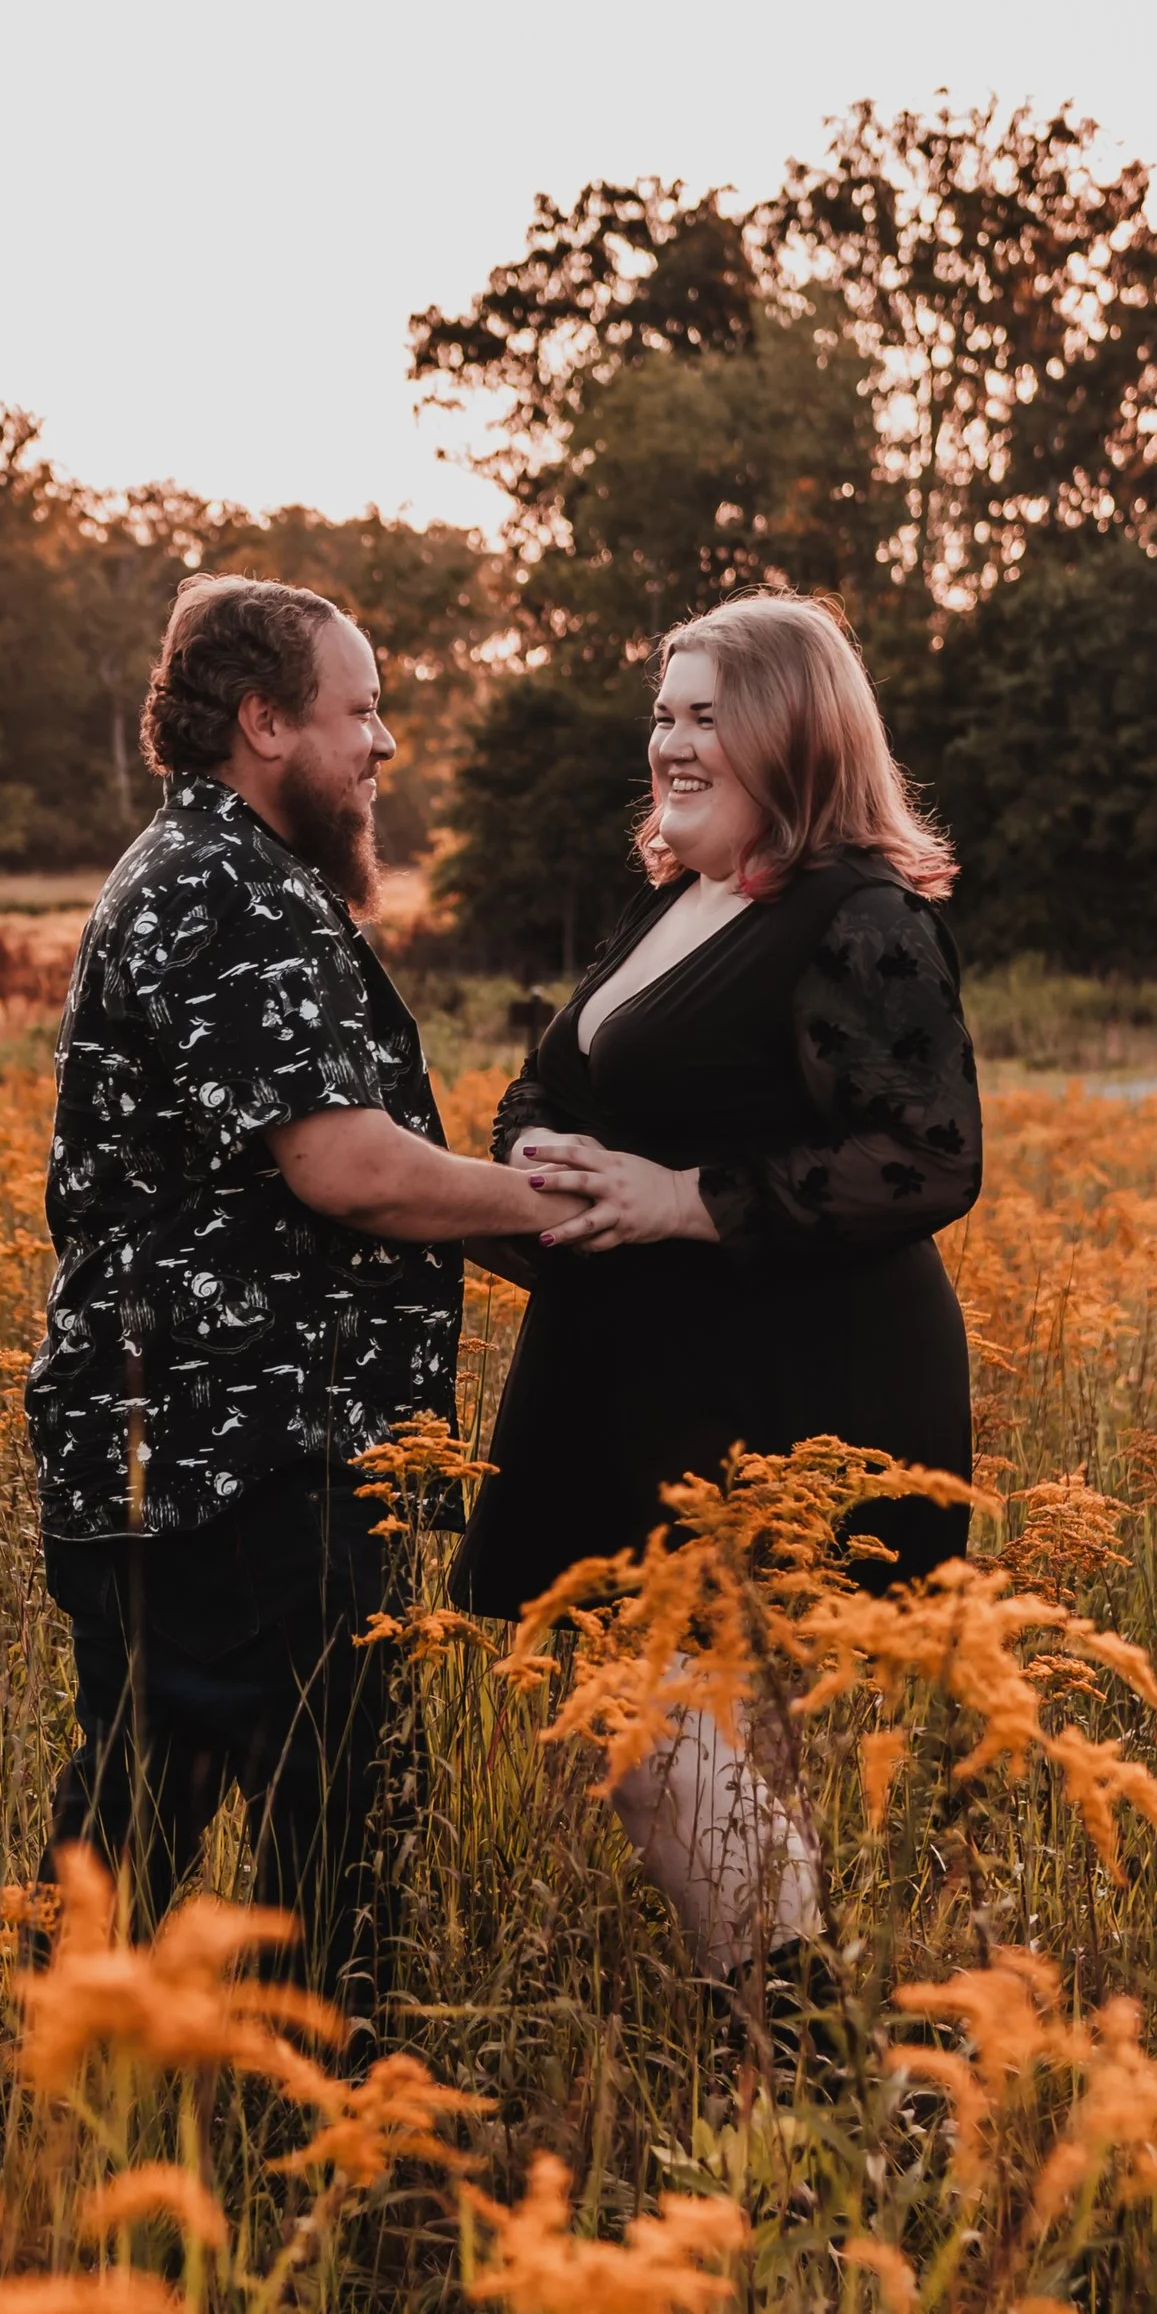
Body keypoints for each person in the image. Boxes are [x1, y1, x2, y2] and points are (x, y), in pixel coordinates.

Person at [26, 573, 585, 2011]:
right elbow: (343, 1167)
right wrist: (573, 1214)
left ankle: (88, 2122)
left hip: (207, 1440)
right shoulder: (227, 885)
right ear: (264, 723)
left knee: (153, 1810)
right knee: (310, 1833)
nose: (384, 745)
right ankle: (310, 2149)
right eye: (363, 711)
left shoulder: (225, 875)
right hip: (238, 1451)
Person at [449, 592, 982, 1986]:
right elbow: (549, 1080)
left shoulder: (855, 916)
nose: (669, 743)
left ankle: (816, 2056)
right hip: (648, 1382)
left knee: (659, 1743)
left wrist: (682, 1199)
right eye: (662, 715)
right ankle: (809, 2053)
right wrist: (536, 1152)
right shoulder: (670, 904)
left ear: (791, 732)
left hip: (794, 1386)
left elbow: (925, 1155)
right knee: (689, 1745)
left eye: (704, 716)